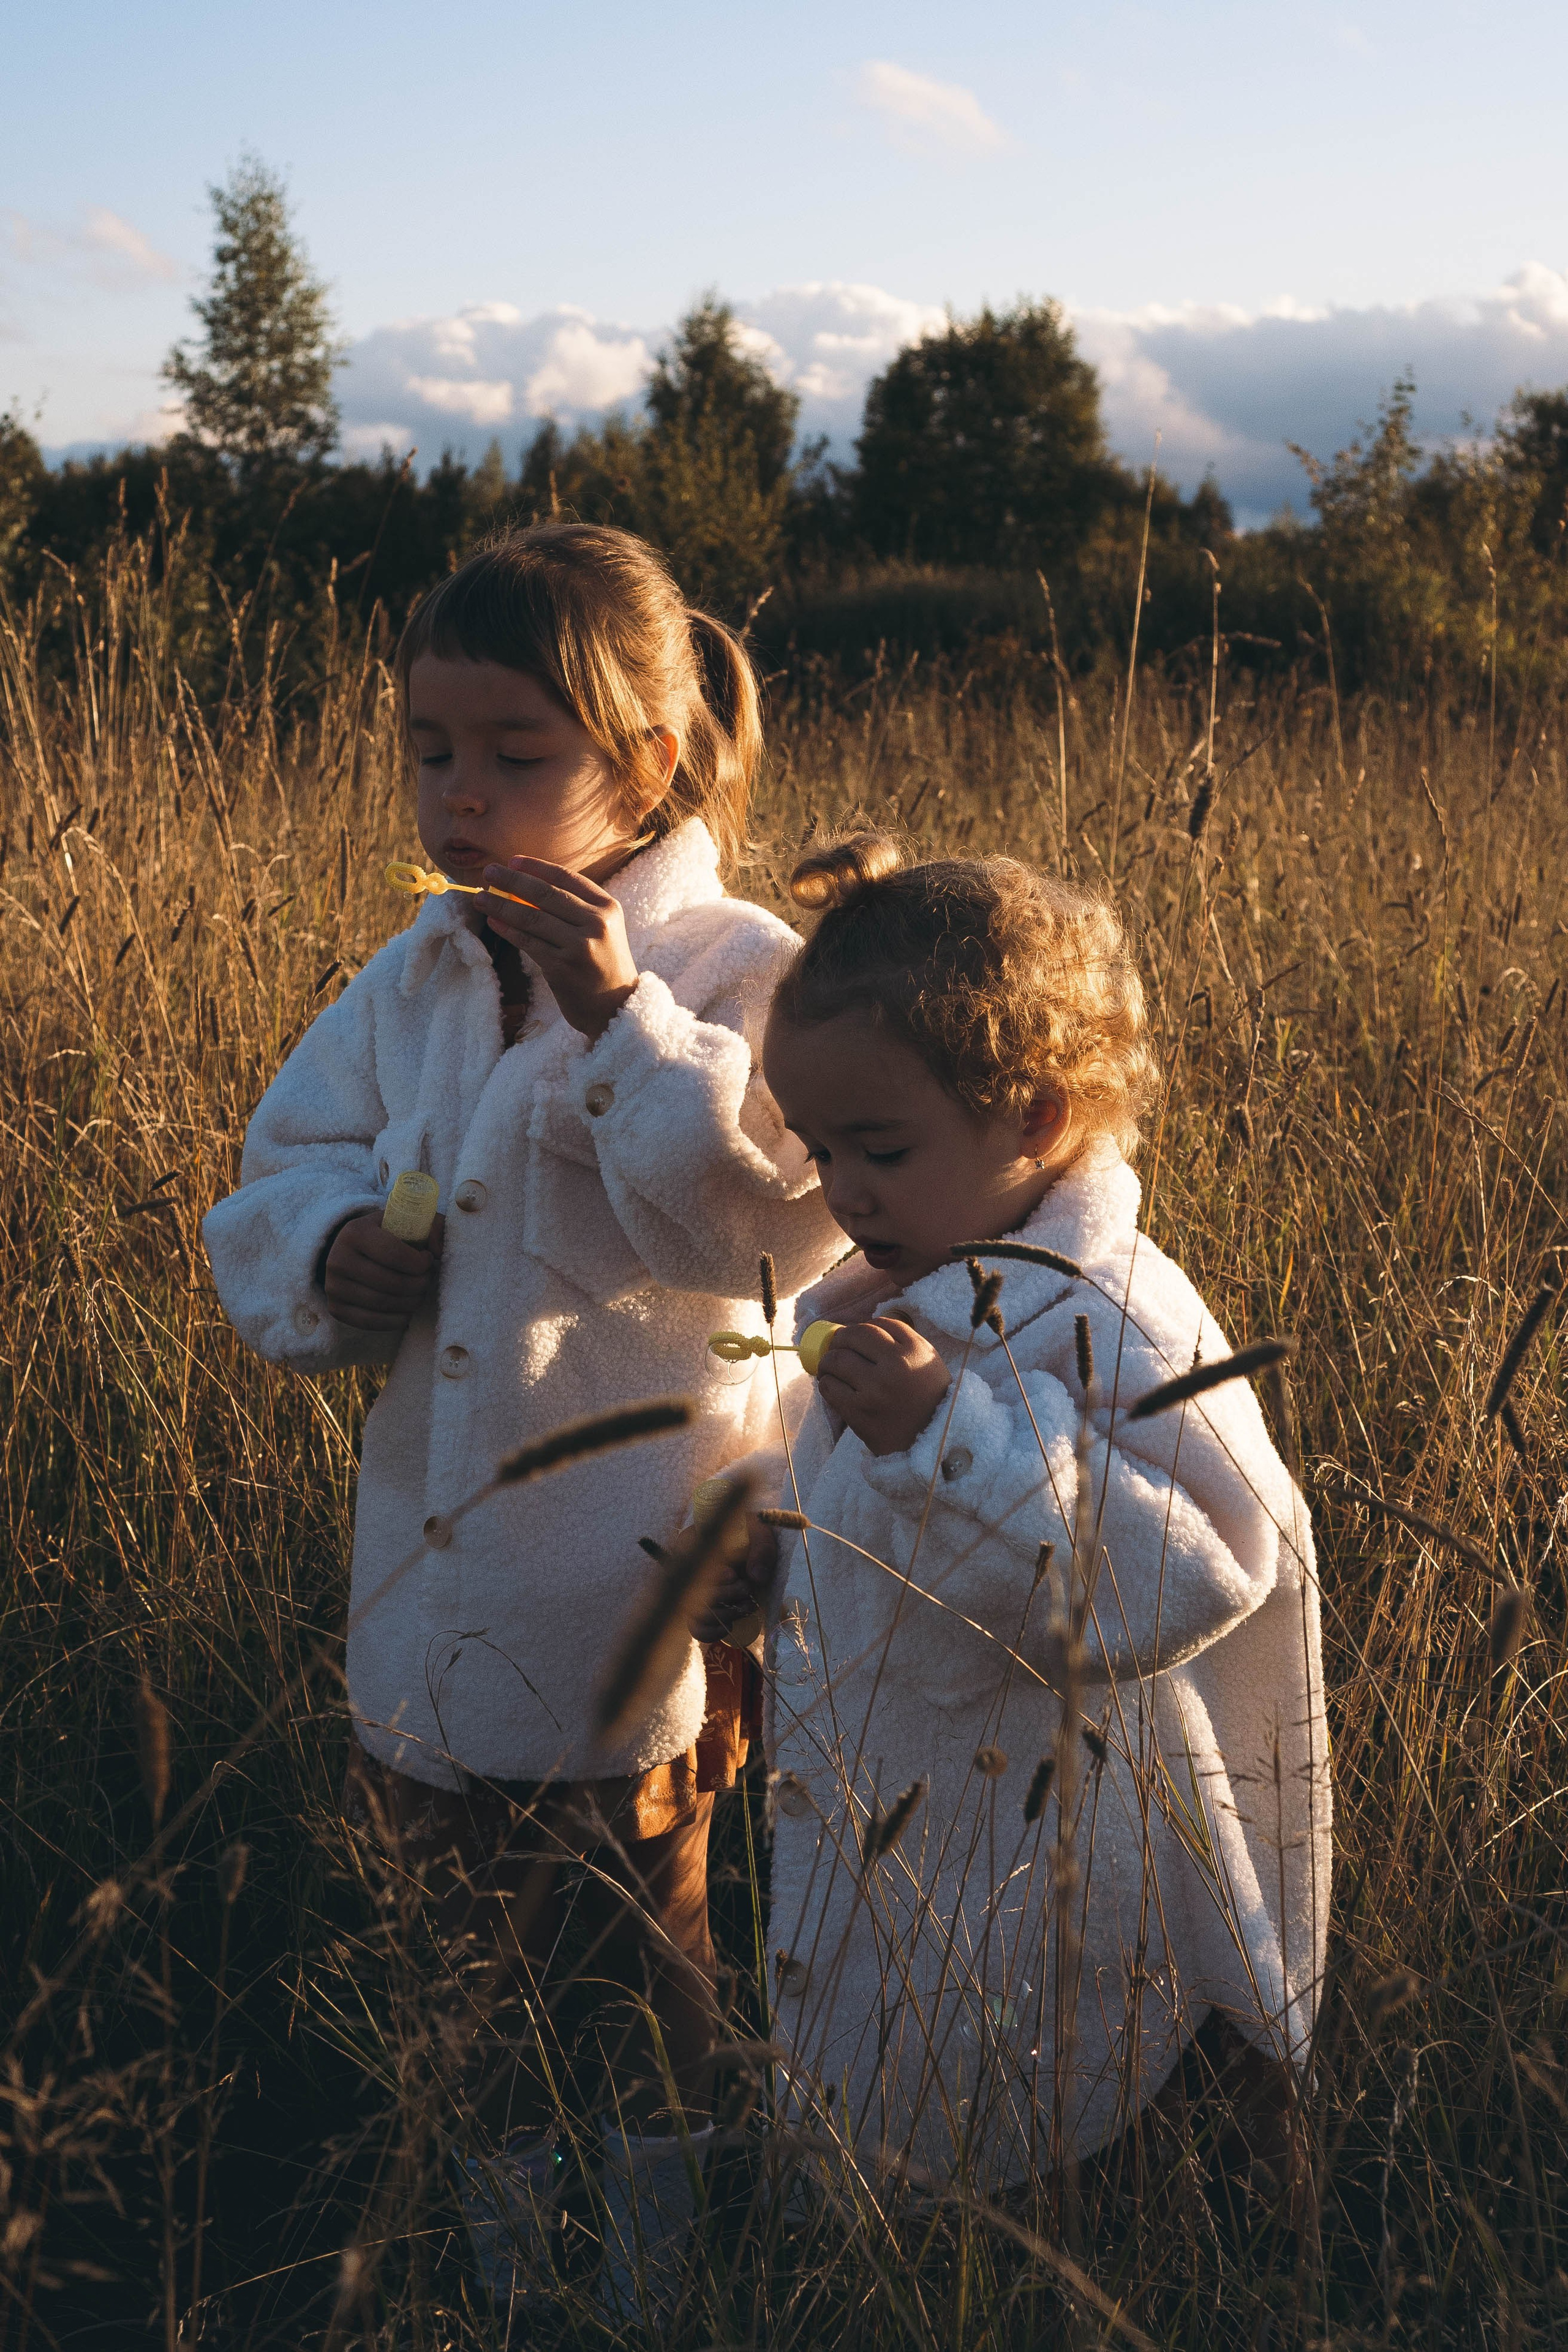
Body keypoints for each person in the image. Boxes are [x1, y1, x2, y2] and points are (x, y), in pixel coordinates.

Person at [201, 525, 841, 2323]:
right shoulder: (416, 972)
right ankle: (500, 2259)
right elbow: (286, 1159)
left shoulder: (736, 971)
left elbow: (773, 1227)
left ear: (645, 764)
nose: (459, 792)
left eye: (514, 753)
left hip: (639, 1566)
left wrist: (623, 1022)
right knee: (454, 1946)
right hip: (433, 1550)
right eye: (430, 748)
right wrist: (330, 1252)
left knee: (645, 1923)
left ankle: (650, 2261)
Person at [708, 830, 1330, 2218]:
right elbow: (835, 1494)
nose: (840, 1193)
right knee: (914, 2103)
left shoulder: (1111, 1317)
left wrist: (954, 1442)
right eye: (818, 1151)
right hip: (910, 1840)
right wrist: (757, 1555)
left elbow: (1209, 1570)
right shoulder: (881, 1295)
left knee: (1064, 2151)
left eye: (879, 1148)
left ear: (1037, 1116)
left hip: (1067, 1876)